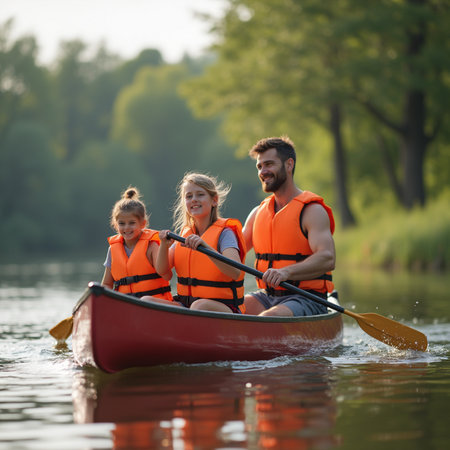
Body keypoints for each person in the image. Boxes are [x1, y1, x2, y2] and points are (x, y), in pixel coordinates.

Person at [242, 136, 335, 317]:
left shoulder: (311, 211)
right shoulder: (257, 213)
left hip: (308, 298)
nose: (263, 171)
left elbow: (327, 258)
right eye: (259, 167)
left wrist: (286, 272)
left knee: (269, 318)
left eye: (269, 164)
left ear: (289, 164)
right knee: (232, 308)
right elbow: (233, 252)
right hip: (267, 296)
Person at [154, 172, 247, 313]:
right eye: (189, 196)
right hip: (187, 305)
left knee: (199, 306)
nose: (194, 200)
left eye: (200, 194)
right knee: (146, 301)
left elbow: (235, 271)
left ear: (214, 200)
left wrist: (205, 247)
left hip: (225, 307)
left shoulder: (225, 233)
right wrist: (163, 246)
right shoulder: (184, 234)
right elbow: (162, 271)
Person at [101, 187, 172, 300]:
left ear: (143, 223)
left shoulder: (151, 246)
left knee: (146, 301)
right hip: (126, 307)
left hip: (153, 304)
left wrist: (164, 245)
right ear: (115, 225)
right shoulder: (112, 249)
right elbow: (107, 284)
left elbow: (167, 275)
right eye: (122, 223)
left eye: (132, 223)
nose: (127, 227)